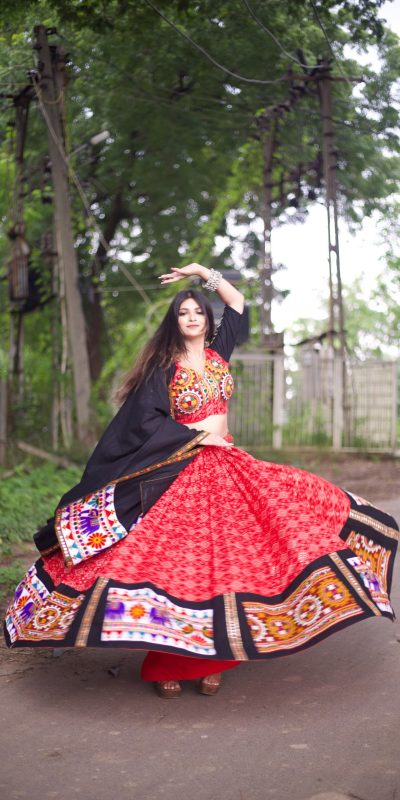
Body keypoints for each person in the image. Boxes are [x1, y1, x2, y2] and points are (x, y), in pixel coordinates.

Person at [4, 264, 398, 699]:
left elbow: (237, 302)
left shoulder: (218, 355)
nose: (191, 318)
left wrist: (200, 272)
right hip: (185, 471)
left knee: (240, 552)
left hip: (228, 465)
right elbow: (143, 422)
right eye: (183, 313)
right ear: (174, 322)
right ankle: (167, 662)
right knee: (179, 565)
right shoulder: (164, 367)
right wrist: (195, 435)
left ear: (208, 321)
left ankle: (216, 660)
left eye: (197, 312)